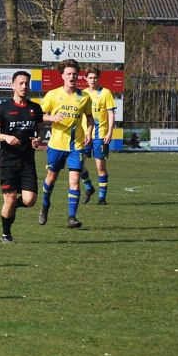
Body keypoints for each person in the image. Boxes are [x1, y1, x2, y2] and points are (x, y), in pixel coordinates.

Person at [0, 71, 45, 243]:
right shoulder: (4, 108)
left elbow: (42, 128)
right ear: (13, 85)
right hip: (8, 162)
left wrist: (39, 139)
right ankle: (6, 234)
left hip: (27, 162)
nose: (24, 86)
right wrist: (5, 137)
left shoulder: (35, 108)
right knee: (10, 198)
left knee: (30, 200)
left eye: (26, 83)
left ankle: (12, 207)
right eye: (20, 83)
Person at [39, 58, 93, 229]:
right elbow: (38, 115)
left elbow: (90, 118)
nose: (72, 77)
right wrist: (52, 117)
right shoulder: (53, 95)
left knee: (75, 179)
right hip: (56, 145)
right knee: (51, 177)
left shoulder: (84, 97)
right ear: (62, 76)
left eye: (75, 74)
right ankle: (45, 205)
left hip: (76, 146)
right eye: (68, 74)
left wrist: (89, 132)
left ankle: (72, 217)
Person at [78, 68, 117, 206]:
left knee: (100, 166)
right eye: (90, 78)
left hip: (100, 135)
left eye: (95, 77)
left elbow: (111, 114)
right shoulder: (82, 94)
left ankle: (102, 198)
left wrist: (110, 132)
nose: (93, 80)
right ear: (86, 79)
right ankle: (89, 187)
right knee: (78, 164)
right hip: (85, 135)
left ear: (98, 78)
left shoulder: (106, 93)